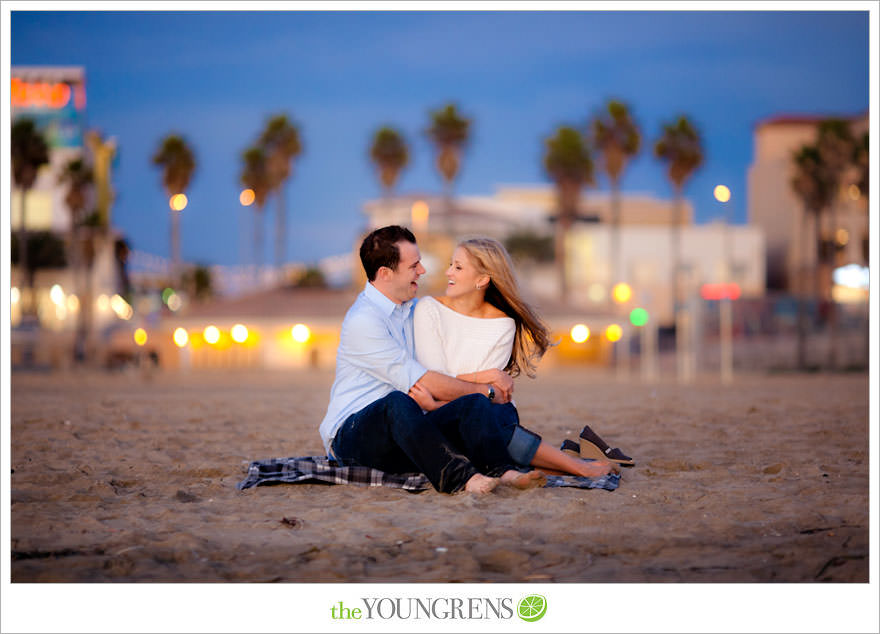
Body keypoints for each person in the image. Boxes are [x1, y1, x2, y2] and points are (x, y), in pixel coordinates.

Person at [318, 225, 549, 495]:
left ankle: (501, 470)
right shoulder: (364, 321)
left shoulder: (412, 308)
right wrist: (485, 389)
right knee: (397, 402)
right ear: (385, 274)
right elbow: (422, 380)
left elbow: (457, 325)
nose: (423, 271)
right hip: (354, 437)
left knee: (475, 406)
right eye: (414, 265)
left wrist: (486, 378)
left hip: (409, 431)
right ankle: (460, 478)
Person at [408, 236, 626, 478]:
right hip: (447, 413)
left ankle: (555, 466)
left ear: (482, 279)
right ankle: (576, 466)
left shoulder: (503, 325)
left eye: (458, 267)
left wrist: (464, 385)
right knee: (482, 417)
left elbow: (493, 394)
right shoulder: (428, 309)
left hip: (493, 409)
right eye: (451, 264)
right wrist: (485, 377)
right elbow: (434, 381)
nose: (448, 272)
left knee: (490, 416)